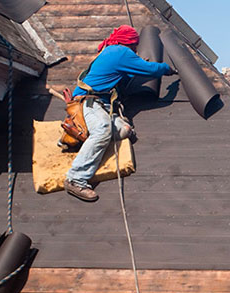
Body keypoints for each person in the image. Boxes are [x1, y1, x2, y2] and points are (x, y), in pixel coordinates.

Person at [64, 25, 175, 201]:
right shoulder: (120, 52)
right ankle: (76, 179)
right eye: (135, 46)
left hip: (100, 105)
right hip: (88, 102)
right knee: (103, 130)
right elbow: (151, 70)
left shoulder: (111, 51)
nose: (136, 50)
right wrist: (166, 69)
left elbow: (117, 76)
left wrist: (137, 66)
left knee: (125, 130)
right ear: (129, 43)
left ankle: (85, 139)